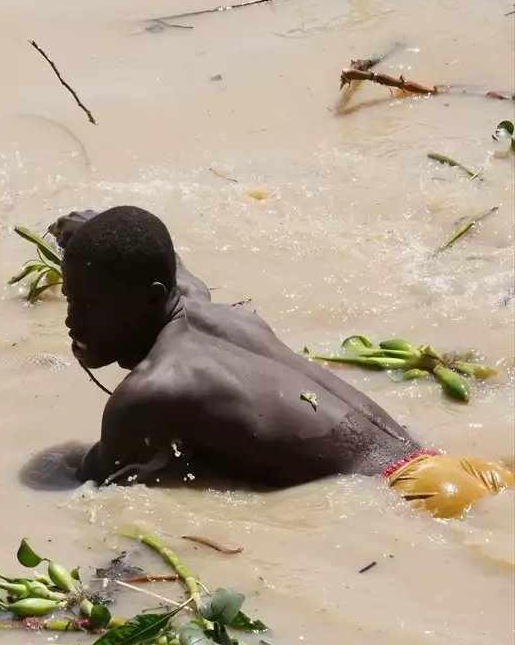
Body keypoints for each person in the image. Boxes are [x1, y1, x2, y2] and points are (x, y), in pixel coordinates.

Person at [47, 206, 513, 519]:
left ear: (150, 299)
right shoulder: (210, 309)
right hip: (454, 469)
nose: (72, 320)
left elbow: (91, 481)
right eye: (69, 299)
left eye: (88, 305)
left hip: (418, 500)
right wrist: (93, 234)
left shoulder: (150, 390)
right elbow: (169, 266)